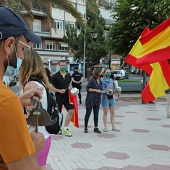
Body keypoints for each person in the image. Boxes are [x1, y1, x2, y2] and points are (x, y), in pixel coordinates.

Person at [0, 6, 45, 170]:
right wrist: (34, 147)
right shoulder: (5, 101)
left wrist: (16, 102)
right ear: (10, 44)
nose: (22, 57)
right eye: (23, 49)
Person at [19, 49, 53, 170]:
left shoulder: (30, 85)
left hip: (33, 139)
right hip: (43, 136)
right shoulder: (41, 84)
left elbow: (31, 117)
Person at [51, 60, 74, 137]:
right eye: (62, 65)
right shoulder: (55, 76)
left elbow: (69, 84)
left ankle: (65, 127)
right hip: (58, 97)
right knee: (59, 113)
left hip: (67, 97)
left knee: (71, 111)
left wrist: (70, 87)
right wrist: (59, 90)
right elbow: (51, 87)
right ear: (59, 66)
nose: (63, 67)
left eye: (64, 65)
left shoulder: (68, 75)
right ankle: (58, 128)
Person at [101, 68, 120, 132]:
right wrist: (107, 88)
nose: (108, 73)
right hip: (105, 97)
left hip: (111, 97)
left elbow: (113, 88)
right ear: (104, 73)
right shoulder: (102, 80)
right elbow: (102, 90)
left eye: (109, 72)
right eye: (107, 72)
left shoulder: (111, 80)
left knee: (113, 112)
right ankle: (105, 127)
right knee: (105, 112)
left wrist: (116, 90)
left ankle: (113, 127)